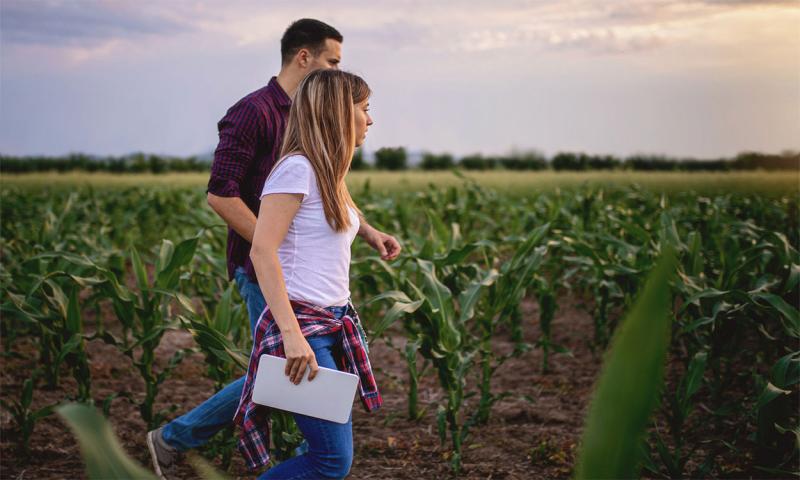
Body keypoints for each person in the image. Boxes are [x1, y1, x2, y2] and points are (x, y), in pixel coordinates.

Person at [146, 19, 401, 479]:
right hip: (284, 291)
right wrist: (275, 248)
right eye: (332, 63)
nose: (370, 117)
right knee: (294, 401)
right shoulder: (257, 117)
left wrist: (367, 230)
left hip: (320, 309)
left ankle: (179, 438)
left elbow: (333, 199)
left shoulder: (324, 162)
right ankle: (175, 438)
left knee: (284, 391)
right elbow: (223, 196)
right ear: (306, 60)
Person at [235, 68, 381, 480]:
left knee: (328, 456)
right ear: (337, 112)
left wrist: (370, 232)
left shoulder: (327, 171)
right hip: (305, 329)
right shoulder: (296, 170)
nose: (370, 120)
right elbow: (263, 251)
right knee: (330, 461)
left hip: (332, 324)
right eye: (364, 109)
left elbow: (332, 223)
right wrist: (293, 337)